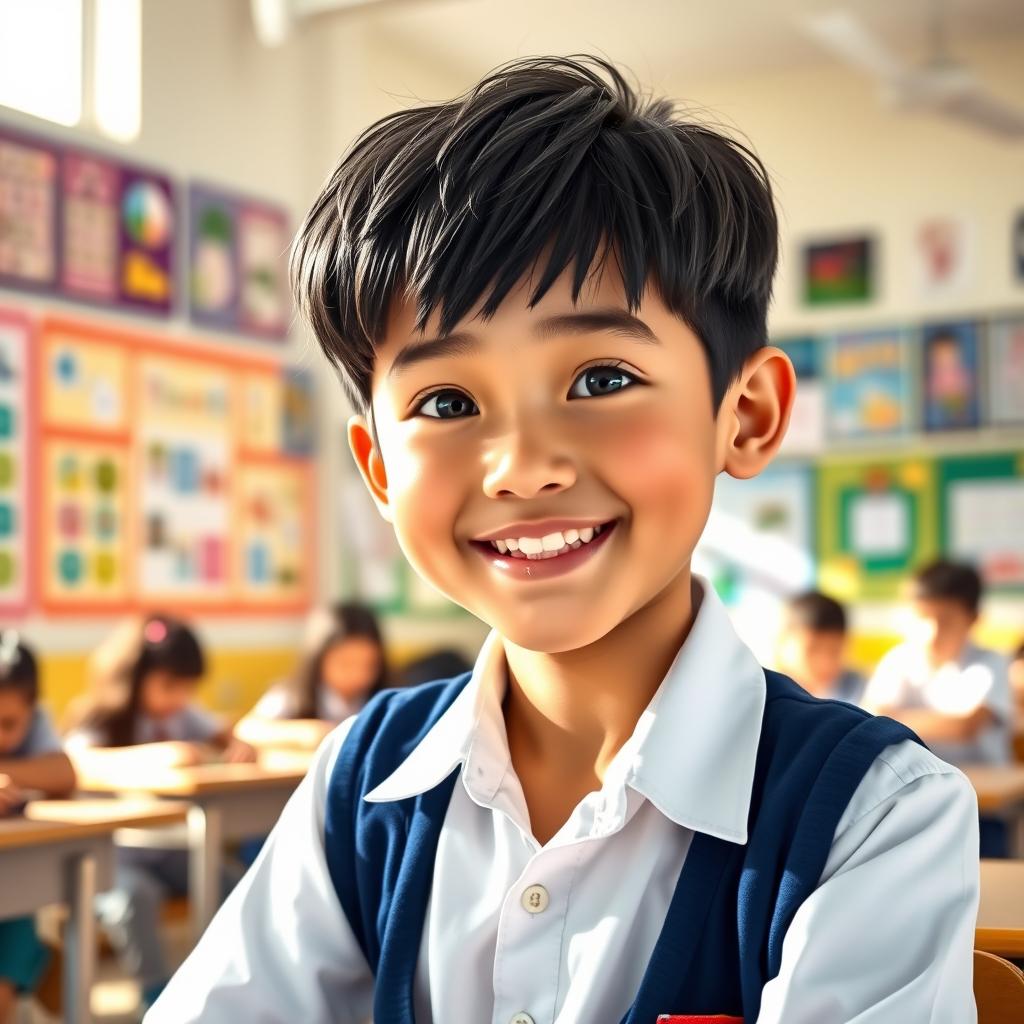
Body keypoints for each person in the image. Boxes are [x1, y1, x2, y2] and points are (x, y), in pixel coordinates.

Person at [149, 56, 978, 1023]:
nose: (521, 466)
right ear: (378, 470)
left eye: (599, 379)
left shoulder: (875, 814)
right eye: (447, 400)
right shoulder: (360, 785)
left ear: (744, 417)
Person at [66, 615, 255, 1014]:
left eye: (188, 688)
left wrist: (235, 745)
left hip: (174, 848)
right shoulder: (99, 719)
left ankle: (229, 983)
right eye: (170, 686)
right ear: (133, 678)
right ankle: (157, 998)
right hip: (116, 854)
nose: (179, 698)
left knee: (235, 883)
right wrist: (160, 757)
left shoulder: (183, 716)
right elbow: (77, 763)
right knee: (133, 898)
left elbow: (229, 735)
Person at [864, 560, 1013, 767]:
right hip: (915, 782)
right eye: (923, 618)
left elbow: (965, 728)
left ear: (973, 619)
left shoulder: (990, 664)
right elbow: (872, 719)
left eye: (945, 621)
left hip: (981, 789)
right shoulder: (898, 660)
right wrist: (887, 719)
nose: (932, 633)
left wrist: (893, 719)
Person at [0, 632, 76, 1024]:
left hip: (14, 896)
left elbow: (63, 773)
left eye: (9, 724)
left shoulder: (38, 724)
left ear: (32, 711)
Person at [235, 602, 388, 751]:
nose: (357, 675)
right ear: (318, 658)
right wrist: (303, 733)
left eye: (369, 665)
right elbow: (246, 729)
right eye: (345, 664)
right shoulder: (294, 693)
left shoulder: (385, 697)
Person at [775, 591, 865, 704]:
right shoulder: (764, 693)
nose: (825, 663)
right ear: (783, 642)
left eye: (835, 651)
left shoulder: (864, 692)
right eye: (812, 650)